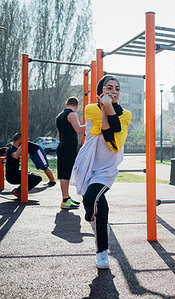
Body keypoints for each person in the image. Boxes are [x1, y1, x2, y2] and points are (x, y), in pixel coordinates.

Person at [70, 76, 131, 269]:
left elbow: (112, 134)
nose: (114, 91)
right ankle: (102, 249)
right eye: (109, 87)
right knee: (98, 205)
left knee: (90, 201)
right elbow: (106, 128)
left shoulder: (126, 114)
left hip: (107, 167)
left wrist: (108, 107)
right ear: (100, 92)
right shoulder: (90, 109)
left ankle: (92, 220)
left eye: (117, 88)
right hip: (89, 163)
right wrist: (105, 109)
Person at [56, 97, 86, 209]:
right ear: (76, 106)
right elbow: (78, 129)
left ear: (66, 104)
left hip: (62, 146)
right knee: (65, 174)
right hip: (68, 147)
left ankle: (67, 198)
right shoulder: (73, 115)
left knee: (65, 173)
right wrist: (92, 125)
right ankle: (64, 200)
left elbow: (59, 134)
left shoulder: (58, 117)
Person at [5, 133, 43, 198]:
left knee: (36, 176)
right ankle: (19, 191)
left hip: (15, 174)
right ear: (19, 141)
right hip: (12, 176)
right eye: (24, 141)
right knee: (37, 178)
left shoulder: (13, 148)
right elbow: (15, 156)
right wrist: (24, 145)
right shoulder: (11, 149)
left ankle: (18, 190)